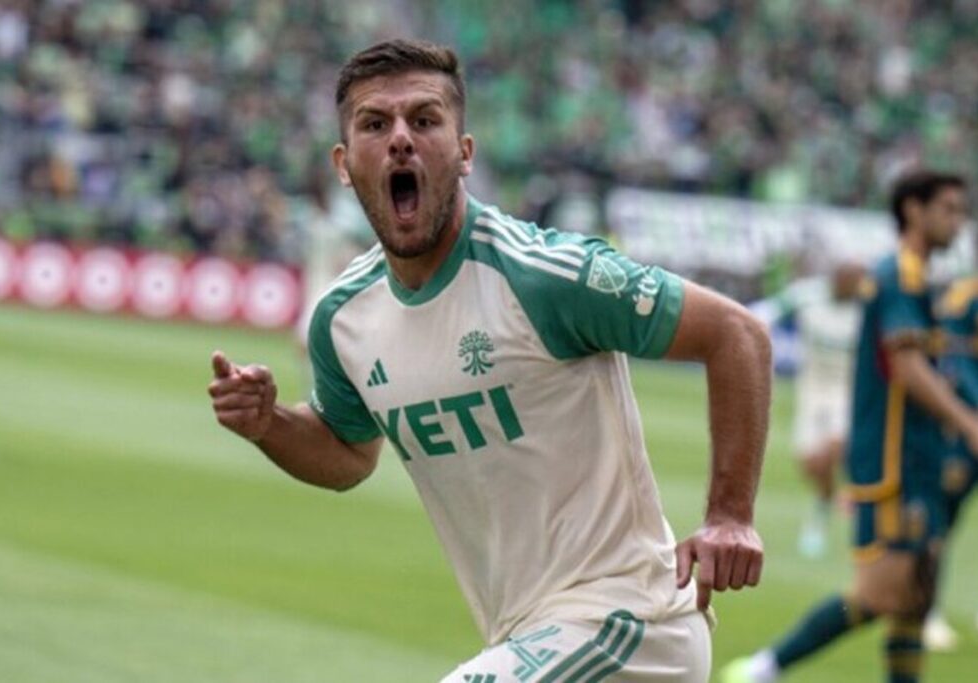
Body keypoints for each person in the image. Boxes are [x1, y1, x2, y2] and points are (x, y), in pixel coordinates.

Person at [208, 39, 772, 682]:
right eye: (374, 124)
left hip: (632, 624)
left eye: (423, 120)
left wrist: (730, 514)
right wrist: (268, 425)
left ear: (465, 152)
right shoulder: (343, 319)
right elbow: (348, 455)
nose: (399, 140)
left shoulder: (544, 276)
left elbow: (736, 334)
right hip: (531, 635)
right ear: (343, 164)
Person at [721, 170, 978, 683]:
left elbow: (940, 368)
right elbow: (909, 370)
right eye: (948, 209)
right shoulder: (898, 274)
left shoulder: (926, 280)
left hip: (923, 460)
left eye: (961, 211)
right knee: (881, 594)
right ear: (913, 211)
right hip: (893, 463)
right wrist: (974, 427)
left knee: (917, 596)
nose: (958, 222)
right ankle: (765, 667)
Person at [750, 264, 865, 559]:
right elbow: (764, 312)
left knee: (833, 448)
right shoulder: (807, 296)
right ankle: (826, 502)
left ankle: (840, 502)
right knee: (811, 464)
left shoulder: (868, 307)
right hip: (812, 393)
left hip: (847, 395)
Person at [928, 218, 978, 652]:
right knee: (943, 519)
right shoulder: (963, 300)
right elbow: (956, 363)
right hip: (966, 431)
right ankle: (928, 610)